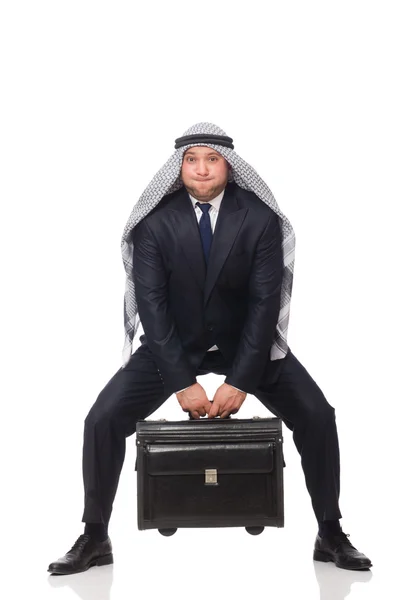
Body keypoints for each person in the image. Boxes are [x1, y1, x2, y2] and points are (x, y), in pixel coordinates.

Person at [48, 122, 372, 575]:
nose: (202, 170)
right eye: (192, 160)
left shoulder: (258, 219)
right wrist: (182, 381)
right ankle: (94, 535)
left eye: (212, 159)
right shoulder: (154, 223)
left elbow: (264, 305)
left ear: (229, 166)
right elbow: (153, 308)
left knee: (318, 415)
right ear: (178, 167)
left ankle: (331, 532)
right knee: (101, 420)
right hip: (174, 346)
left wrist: (241, 379)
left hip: (247, 344)